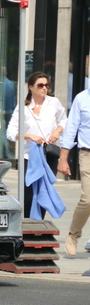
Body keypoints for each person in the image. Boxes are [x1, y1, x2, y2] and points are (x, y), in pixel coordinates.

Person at [7, 72, 67, 219]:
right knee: (28, 193)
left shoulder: (54, 103)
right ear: (31, 87)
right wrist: (29, 136)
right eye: (40, 85)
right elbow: (10, 132)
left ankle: (39, 226)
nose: (44, 88)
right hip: (29, 156)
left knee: (44, 191)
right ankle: (28, 224)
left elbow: (64, 121)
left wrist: (57, 131)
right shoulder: (23, 107)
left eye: (47, 85)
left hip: (48, 155)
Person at [58, 87, 90, 256]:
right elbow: (71, 129)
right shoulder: (82, 99)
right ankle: (73, 234)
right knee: (88, 199)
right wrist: (63, 159)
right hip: (87, 154)